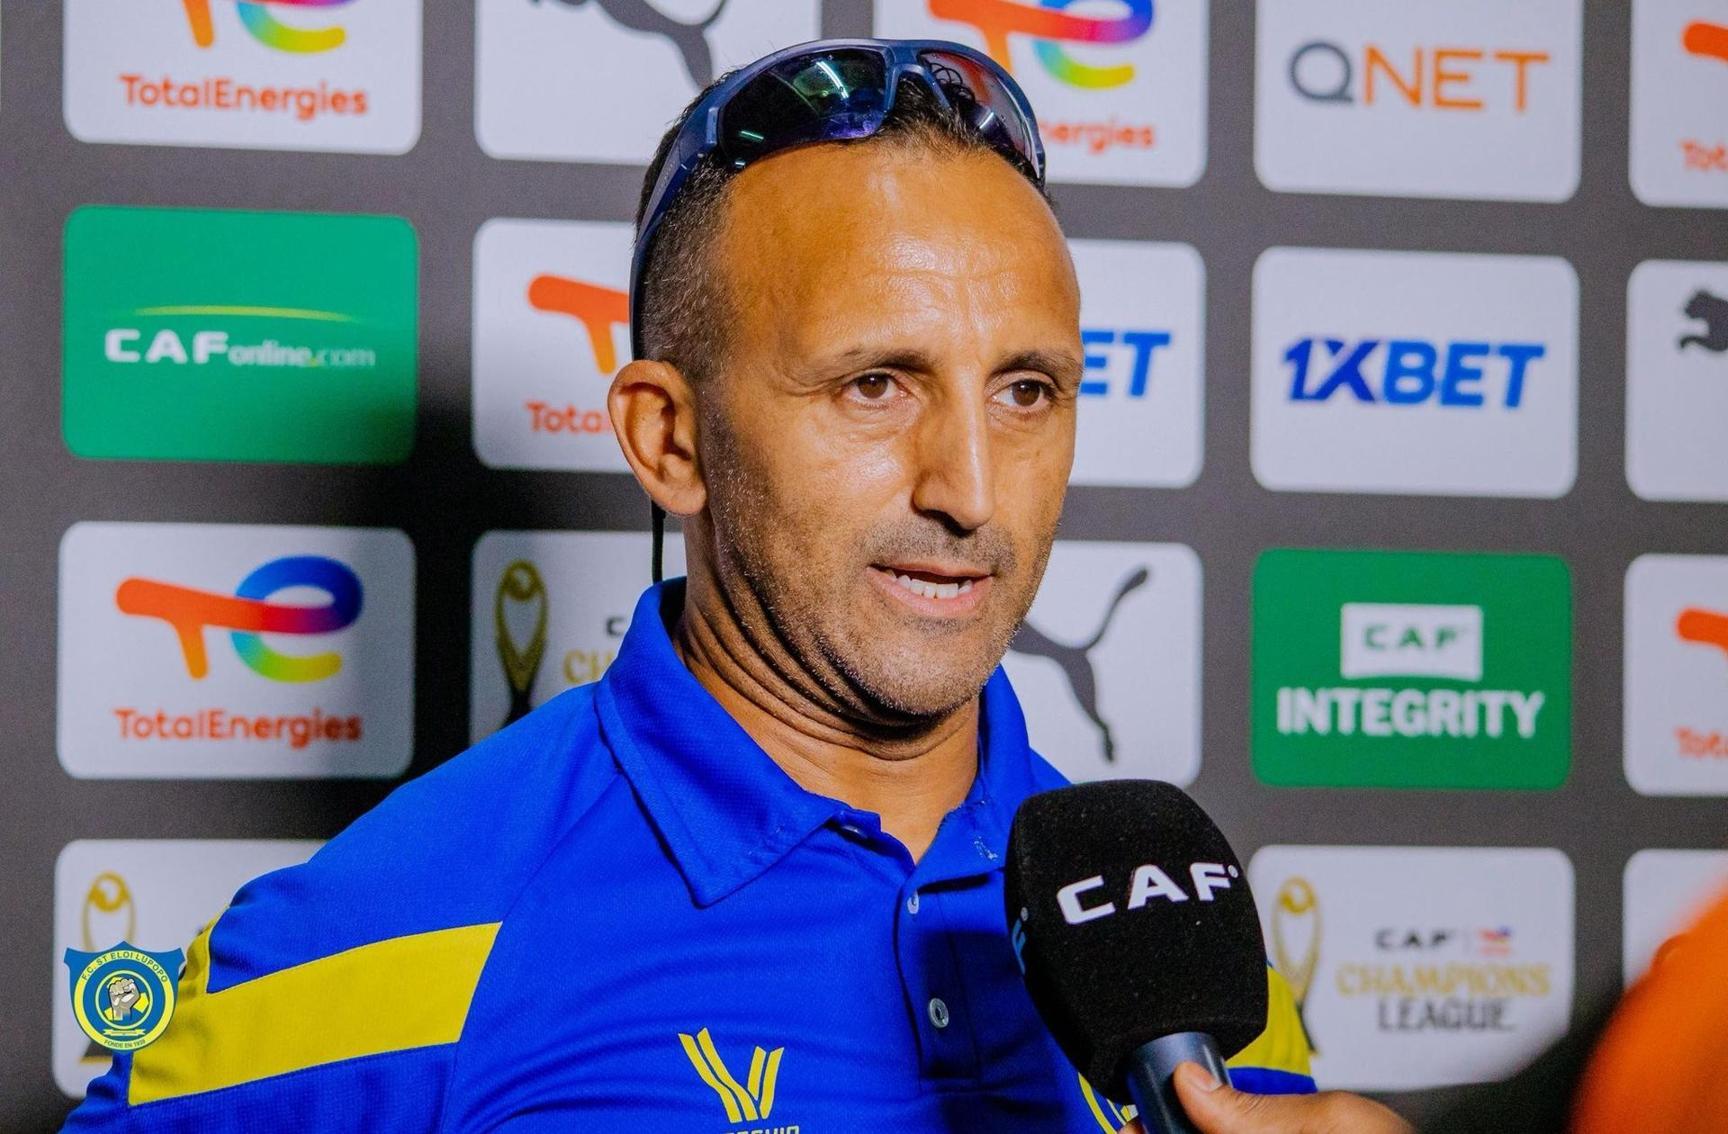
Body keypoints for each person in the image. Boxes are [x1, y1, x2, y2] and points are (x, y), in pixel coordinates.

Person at [63, 39, 1407, 1132]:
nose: (972, 491)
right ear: (670, 439)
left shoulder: (1172, 935)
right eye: (875, 384)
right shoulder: (398, 930)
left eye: (1026, 392)